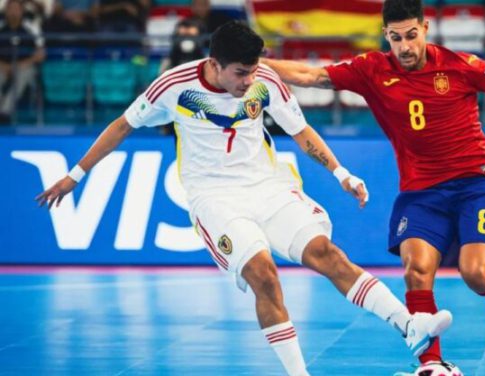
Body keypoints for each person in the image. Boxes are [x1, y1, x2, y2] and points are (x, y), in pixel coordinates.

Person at [36, 20, 452, 376]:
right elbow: (122, 126)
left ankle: (407, 325)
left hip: (267, 186)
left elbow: (300, 130)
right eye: (240, 73)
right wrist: (76, 175)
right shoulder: (174, 86)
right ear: (214, 65)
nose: (249, 80)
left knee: (327, 254)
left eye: (253, 70)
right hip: (214, 198)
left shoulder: (264, 80)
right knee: (263, 274)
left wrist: (341, 173)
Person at [262, 0, 485, 370]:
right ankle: (432, 364)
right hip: (421, 192)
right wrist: (259, 66)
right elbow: (311, 75)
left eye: (411, 35)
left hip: (476, 182)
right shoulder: (371, 70)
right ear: (386, 35)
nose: (405, 46)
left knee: (475, 274)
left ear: (425, 28)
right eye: (396, 38)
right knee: (416, 270)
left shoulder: (460, 65)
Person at [0, 0, 45, 124]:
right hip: (2, 66)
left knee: (24, 75)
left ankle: (4, 113)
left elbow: (41, 54)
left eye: (16, 9)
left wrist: (20, 65)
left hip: (25, 65)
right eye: (11, 9)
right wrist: (4, 65)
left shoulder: (31, 27)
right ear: (5, 11)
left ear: (22, 11)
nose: (13, 12)